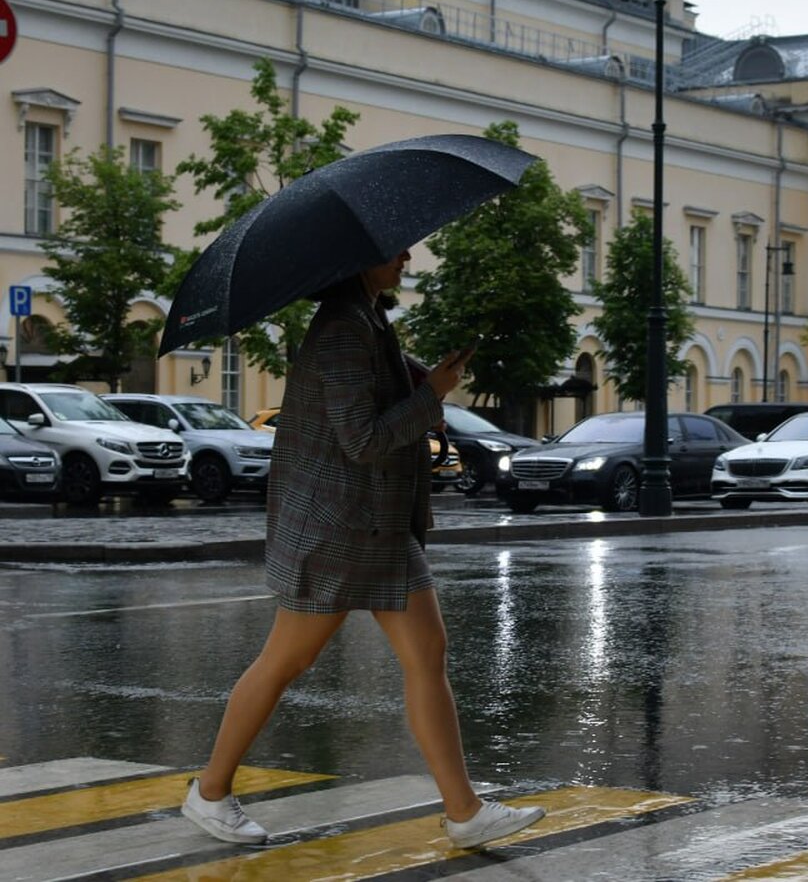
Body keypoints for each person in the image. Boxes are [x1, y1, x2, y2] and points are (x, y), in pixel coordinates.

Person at [180, 251, 545, 849]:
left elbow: (377, 397)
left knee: (428, 653)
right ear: (356, 259)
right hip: (337, 527)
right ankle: (211, 791)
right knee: (285, 661)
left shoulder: (369, 320)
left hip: (377, 526)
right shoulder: (343, 329)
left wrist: (421, 380)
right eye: (394, 247)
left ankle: (464, 811)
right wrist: (433, 397)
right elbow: (362, 438)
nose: (407, 256)